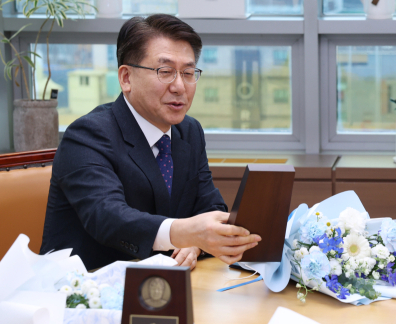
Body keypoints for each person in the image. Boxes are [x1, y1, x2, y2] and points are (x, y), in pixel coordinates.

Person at [41, 14, 261, 270]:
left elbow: (209, 206)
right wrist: (185, 233)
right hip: (85, 285)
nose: (179, 86)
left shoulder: (189, 131)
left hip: (163, 283)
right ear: (126, 78)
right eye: (165, 72)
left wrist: (194, 244)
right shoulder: (87, 134)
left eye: (188, 73)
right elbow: (108, 217)